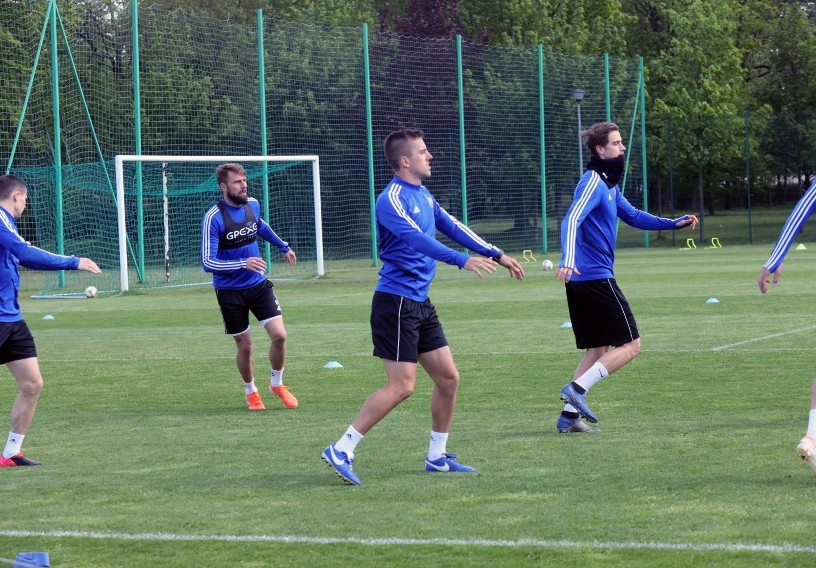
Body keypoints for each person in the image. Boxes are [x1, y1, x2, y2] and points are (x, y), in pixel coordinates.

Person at [322, 128, 526, 486]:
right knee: (402, 386)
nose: (429, 156)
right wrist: (461, 261)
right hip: (396, 302)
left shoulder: (424, 195)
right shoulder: (391, 200)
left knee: (448, 378)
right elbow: (418, 239)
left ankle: (437, 458)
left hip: (419, 302)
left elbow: (452, 226)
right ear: (405, 160)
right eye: (423, 151)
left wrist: (496, 253)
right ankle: (342, 448)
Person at [555, 122, 697, 432]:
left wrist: (674, 223)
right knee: (632, 346)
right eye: (616, 143)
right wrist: (567, 258)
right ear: (600, 150)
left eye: (621, 142)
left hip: (583, 280)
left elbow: (632, 216)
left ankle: (569, 417)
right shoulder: (592, 182)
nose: (622, 148)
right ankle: (576, 391)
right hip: (594, 278)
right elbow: (571, 219)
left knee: (598, 349)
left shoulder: (608, 184)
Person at [758, 133, 816, 485]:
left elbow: (807, 201)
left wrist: (777, 257)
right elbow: (808, 202)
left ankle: (815, 437)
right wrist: (776, 256)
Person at [0, 174, 101, 467]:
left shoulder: (9, 225)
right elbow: (24, 251)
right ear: (17, 195)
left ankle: (10, 454)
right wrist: (73, 261)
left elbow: (24, 259)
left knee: (32, 383)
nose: (25, 205)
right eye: (26, 200)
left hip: (11, 318)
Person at [201, 163, 299, 411]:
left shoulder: (252, 205)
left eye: (244, 180)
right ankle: (251, 391)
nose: (243, 185)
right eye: (237, 182)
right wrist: (242, 263)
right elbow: (207, 262)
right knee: (245, 348)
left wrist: (283, 246)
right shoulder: (214, 217)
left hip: (257, 285)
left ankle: (277, 383)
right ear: (224, 186)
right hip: (229, 292)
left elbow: (260, 226)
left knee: (280, 335)